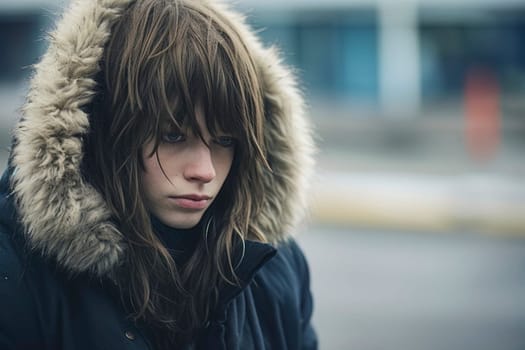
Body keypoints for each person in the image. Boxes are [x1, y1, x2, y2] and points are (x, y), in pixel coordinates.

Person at [0, 0, 317, 349]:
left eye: (225, 141)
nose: (204, 171)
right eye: (173, 135)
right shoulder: (14, 269)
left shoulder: (274, 267)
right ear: (98, 128)